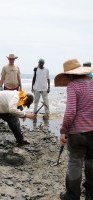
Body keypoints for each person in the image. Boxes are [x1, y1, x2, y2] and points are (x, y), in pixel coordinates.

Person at [54, 59, 93, 200]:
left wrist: (63, 130)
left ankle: (72, 196)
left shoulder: (73, 85)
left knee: (75, 164)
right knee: (91, 163)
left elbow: (71, 111)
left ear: (70, 75)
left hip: (77, 133)